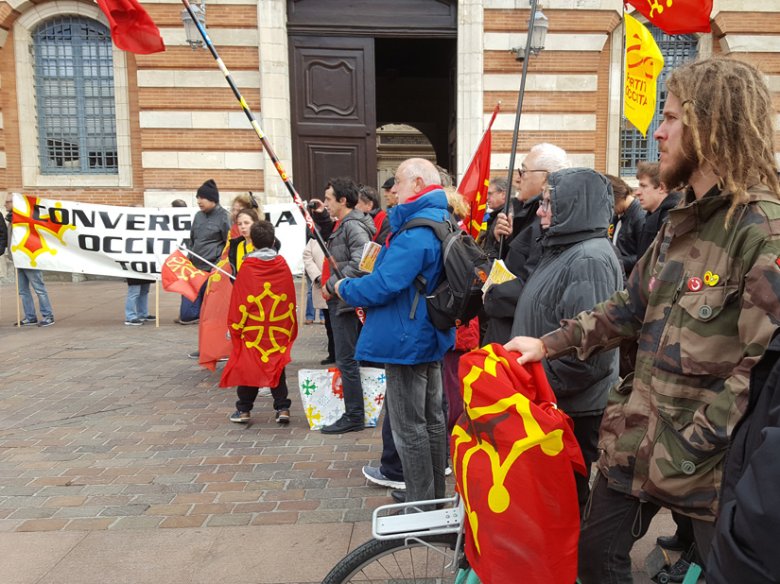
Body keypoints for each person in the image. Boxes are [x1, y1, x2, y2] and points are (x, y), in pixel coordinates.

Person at [505, 57, 780, 582]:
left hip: (704, 469)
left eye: (671, 118)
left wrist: (692, 442)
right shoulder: (680, 222)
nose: (658, 132)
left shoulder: (761, 227)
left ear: (710, 124)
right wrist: (548, 344)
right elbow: (626, 309)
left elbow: (761, 370)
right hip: (634, 444)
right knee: (594, 558)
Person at [335, 157, 454, 505]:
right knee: (430, 420)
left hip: (407, 337)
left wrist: (345, 289)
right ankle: (432, 498)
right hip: (425, 333)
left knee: (409, 427)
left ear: (417, 184)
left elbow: (385, 284)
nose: (394, 189)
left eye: (399, 182)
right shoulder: (439, 219)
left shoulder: (416, 231)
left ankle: (419, 503)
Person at [510, 167, 623, 510]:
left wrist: (538, 387)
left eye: (548, 204)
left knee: (564, 500)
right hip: (554, 400)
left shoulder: (588, 259)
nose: (541, 211)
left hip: (570, 407)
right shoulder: (564, 248)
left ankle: (572, 562)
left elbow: (589, 355)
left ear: (574, 206)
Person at [481, 143, 571, 344]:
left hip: (520, 335)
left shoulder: (548, 222)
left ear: (545, 177)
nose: (518, 178)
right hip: (509, 329)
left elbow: (535, 287)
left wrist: (491, 293)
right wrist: (499, 241)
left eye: (524, 171)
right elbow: (512, 265)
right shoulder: (526, 215)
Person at [221, 220, 295, 425]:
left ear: (251, 242)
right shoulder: (282, 265)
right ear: (273, 241)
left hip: (253, 327)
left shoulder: (248, 266)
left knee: (249, 366)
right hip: (277, 327)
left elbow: (240, 300)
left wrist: (234, 326)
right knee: (276, 364)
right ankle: (283, 408)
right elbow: (289, 297)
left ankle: (244, 410)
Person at [319, 178, 375, 434]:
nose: (327, 203)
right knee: (349, 359)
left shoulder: (353, 226)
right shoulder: (346, 224)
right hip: (345, 301)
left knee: (347, 360)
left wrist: (332, 284)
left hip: (347, 302)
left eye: (330, 199)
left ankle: (354, 415)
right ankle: (355, 411)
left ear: (343, 200)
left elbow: (364, 263)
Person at [177, 179, 230, 325]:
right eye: (197, 198)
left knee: (209, 307)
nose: (199, 201)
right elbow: (193, 239)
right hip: (194, 267)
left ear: (213, 199)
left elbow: (229, 244)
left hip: (212, 268)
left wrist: (219, 264)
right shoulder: (198, 216)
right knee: (187, 314)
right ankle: (196, 315)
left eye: (202, 198)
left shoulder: (225, 217)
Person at [6, 193, 55, 327]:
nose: (5, 204)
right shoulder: (10, 219)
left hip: (28, 257)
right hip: (18, 259)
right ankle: (30, 316)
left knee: (38, 288)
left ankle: (48, 315)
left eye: (8, 202)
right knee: (22, 290)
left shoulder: (25, 218)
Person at [302, 222, 335, 365]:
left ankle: (341, 353)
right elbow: (307, 257)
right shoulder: (314, 241)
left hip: (338, 285)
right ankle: (332, 353)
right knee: (329, 325)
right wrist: (317, 275)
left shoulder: (338, 236)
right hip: (321, 285)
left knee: (339, 325)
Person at [635, 161, 682, 259]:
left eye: (643, 186)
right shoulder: (652, 216)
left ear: (661, 187)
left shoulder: (674, 219)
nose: (637, 192)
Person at [608, 173, 646, 277]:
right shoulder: (617, 215)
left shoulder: (640, 217)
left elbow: (643, 256)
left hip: (631, 278)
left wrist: (616, 262)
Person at [476, 177, 508, 260]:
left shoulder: (505, 217)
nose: (486, 198)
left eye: (490, 194)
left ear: (503, 194)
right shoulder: (496, 216)